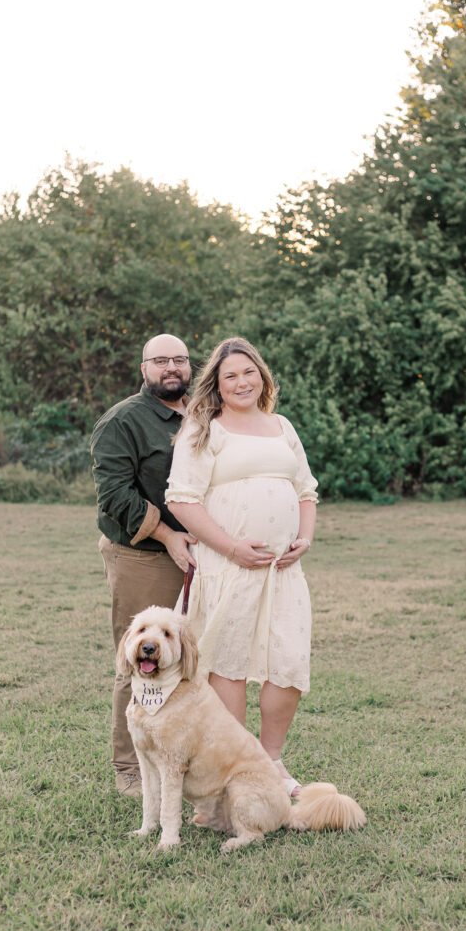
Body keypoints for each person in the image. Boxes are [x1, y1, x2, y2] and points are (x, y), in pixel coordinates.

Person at [165, 337, 317, 796]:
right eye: (230, 376)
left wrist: (304, 539)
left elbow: (306, 491)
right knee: (227, 664)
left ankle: (271, 758)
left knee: (287, 663)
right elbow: (181, 498)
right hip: (228, 568)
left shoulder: (281, 425)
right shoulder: (203, 429)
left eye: (248, 372)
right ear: (217, 383)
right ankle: (238, 766)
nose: (241, 382)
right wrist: (232, 547)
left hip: (282, 572)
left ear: (262, 375)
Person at [90, 333, 196, 796]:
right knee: (138, 661)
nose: (170, 367)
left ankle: (182, 753)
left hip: (199, 554)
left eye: (179, 359)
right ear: (144, 368)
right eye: (160, 361)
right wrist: (170, 535)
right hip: (144, 556)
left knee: (190, 659)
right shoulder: (123, 421)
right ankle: (128, 767)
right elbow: (115, 496)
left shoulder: (200, 414)